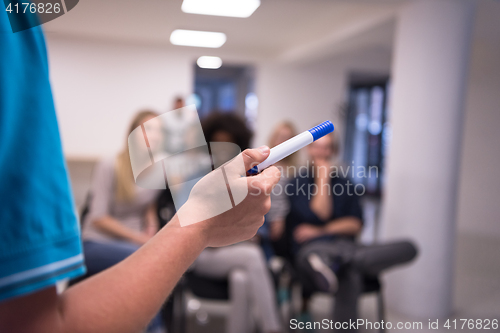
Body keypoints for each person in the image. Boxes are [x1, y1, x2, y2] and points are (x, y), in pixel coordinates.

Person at [0, 10, 281, 333]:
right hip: (100, 239)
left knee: (222, 271)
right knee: (154, 264)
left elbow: (155, 206)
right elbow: (99, 218)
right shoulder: (110, 164)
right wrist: (148, 238)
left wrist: (154, 228)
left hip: (141, 239)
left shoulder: (161, 170)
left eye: (158, 132)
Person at [189, 112, 283, 333]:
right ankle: (273, 328)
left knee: (240, 279)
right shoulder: (198, 174)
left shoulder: (248, 174)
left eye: (228, 144)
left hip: (237, 251)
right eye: (217, 144)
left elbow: (264, 221)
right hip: (203, 252)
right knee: (252, 256)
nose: (222, 150)